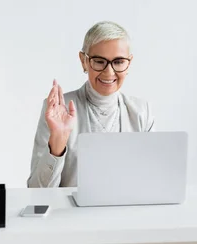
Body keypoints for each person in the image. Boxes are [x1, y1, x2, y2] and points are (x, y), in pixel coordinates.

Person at [27, 21, 155, 188]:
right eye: (99, 61)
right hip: (72, 213)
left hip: (125, 212)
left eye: (118, 62)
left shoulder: (141, 111)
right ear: (84, 61)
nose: (109, 72)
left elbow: (150, 182)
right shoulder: (57, 110)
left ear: (128, 63)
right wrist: (57, 141)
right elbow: (36, 190)